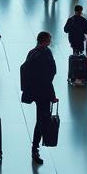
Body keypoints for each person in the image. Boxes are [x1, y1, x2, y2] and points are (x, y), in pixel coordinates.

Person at [22, 32, 58, 165]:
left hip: (36, 92)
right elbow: (46, 78)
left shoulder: (33, 52)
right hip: (43, 93)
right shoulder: (43, 55)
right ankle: (35, 148)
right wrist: (52, 95)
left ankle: (35, 147)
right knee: (42, 119)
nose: (50, 40)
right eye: (49, 38)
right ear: (45, 40)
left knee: (41, 119)